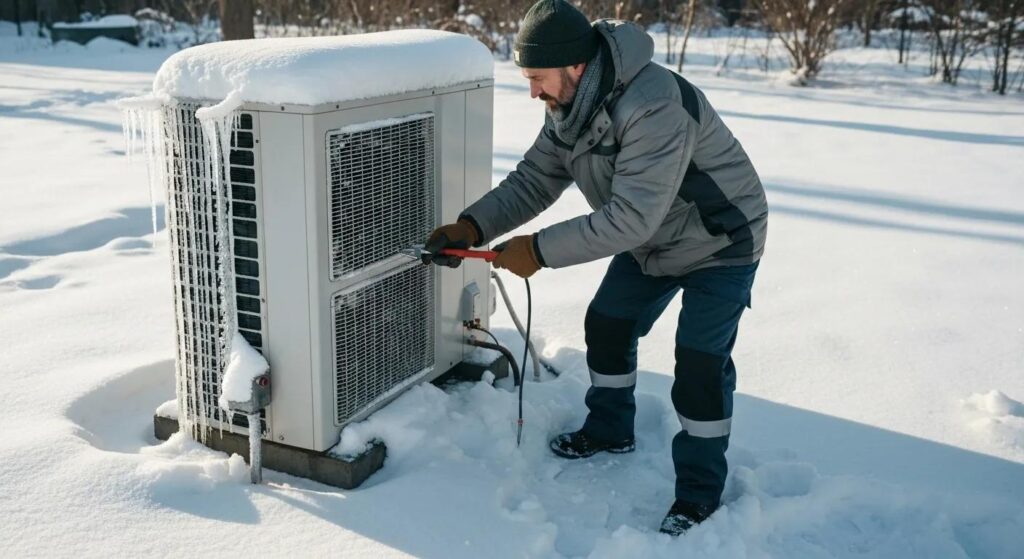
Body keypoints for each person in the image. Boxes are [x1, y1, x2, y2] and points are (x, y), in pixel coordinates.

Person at [424, 0, 767, 536]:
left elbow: (629, 217)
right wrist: (472, 227)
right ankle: (610, 429)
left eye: (537, 79)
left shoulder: (654, 106)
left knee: (699, 365)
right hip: (654, 239)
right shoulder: (570, 105)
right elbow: (535, 180)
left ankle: (700, 495)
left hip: (719, 242)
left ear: (575, 67)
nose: (533, 92)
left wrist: (536, 250)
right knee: (608, 323)